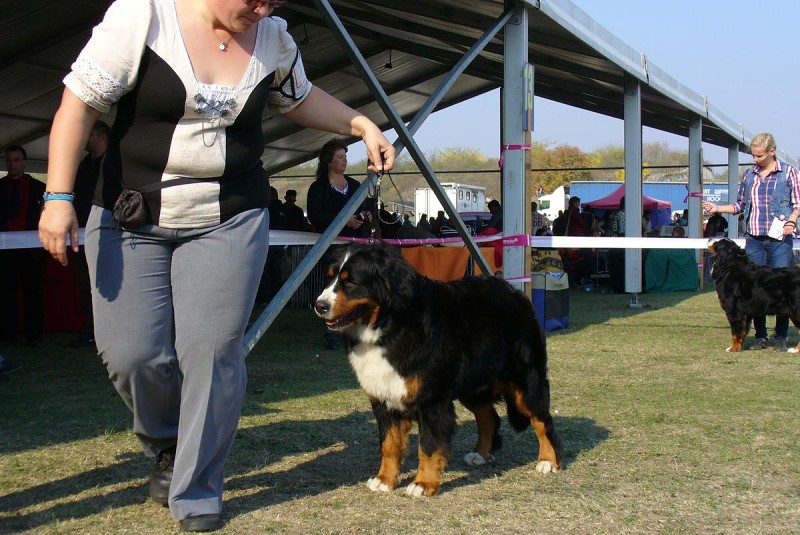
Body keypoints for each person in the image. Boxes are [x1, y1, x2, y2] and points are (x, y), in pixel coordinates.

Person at [37, 1, 395, 532]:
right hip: (128, 212)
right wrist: (58, 194)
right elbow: (78, 106)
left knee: (211, 351)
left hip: (229, 217)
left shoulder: (272, 37)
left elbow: (297, 99)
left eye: (272, 0)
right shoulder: (144, 17)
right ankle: (169, 444)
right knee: (130, 353)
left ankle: (197, 490)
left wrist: (359, 122)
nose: (261, 8)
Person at [702, 132, 800, 352]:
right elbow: (739, 204)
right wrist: (718, 208)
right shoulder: (749, 176)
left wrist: (792, 221)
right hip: (754, 240)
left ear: (772, 152)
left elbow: (798, 203)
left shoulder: (789, 173)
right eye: (754, 155)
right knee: (753, 293)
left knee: (783, 291)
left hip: (779, 240)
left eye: (759, 155)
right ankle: (761, 337)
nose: (755, 160)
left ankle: (781, 338)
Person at [307, 138, 374, 350]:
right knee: (331, 289)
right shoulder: (319, 188)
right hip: (331, 250)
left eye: (345, 157)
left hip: (355, 249)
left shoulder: (355, 185)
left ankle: (355, 329)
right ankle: (332, 333)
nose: (344, 161)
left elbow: (368, 207)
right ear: (329, 161)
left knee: (354, 287)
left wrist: (366, 215)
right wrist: (344, 220)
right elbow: (316, 215)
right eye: (340, 157)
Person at [0, 145, 45, 347]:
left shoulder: (39, 188)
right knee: (5, 293)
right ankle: (8, 335)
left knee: (33, 293)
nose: (12, 164)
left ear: (25, 162)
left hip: (32, 250)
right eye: (9, 160)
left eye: (17, 160)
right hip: (4, 251)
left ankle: (34, 335)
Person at [70, 120, 109, 349]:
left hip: (112, 234)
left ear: (101, 136)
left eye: (88, 134)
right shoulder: (82, 165)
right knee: (86, 286)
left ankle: (110, 335)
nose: (84, 139)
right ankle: (91, 332)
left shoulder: (116, 163)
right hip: (82, 235)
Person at [256, 186, 287, 305]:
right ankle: (277, 298)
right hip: (280, 245)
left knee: (264, 272)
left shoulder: (265, 209)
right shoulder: (282, 209)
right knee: (277, 272)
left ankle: (262, 298)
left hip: (266, 243)